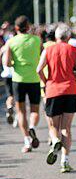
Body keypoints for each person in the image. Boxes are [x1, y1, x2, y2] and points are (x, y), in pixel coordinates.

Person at [37, 24, 76, 173]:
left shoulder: (48, 49)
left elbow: (39, 69)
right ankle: (65, 161)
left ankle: (55, 140)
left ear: (56, 37)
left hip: (52, 90)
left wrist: (46, 81)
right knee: (66, 128)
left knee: (53, 126)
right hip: (70, 89)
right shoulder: (74, 50)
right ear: (69, 37)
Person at [5, 16, 41, 153]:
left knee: (21, 112)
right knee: (34, 111)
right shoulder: (37, 40)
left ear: (16, 28)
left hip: (18, 79)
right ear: (29, 26)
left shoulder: (11, 41)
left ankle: (27, 141)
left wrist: (16, 63)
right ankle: (32, 127)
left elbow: (7, 63)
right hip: (34, 79)